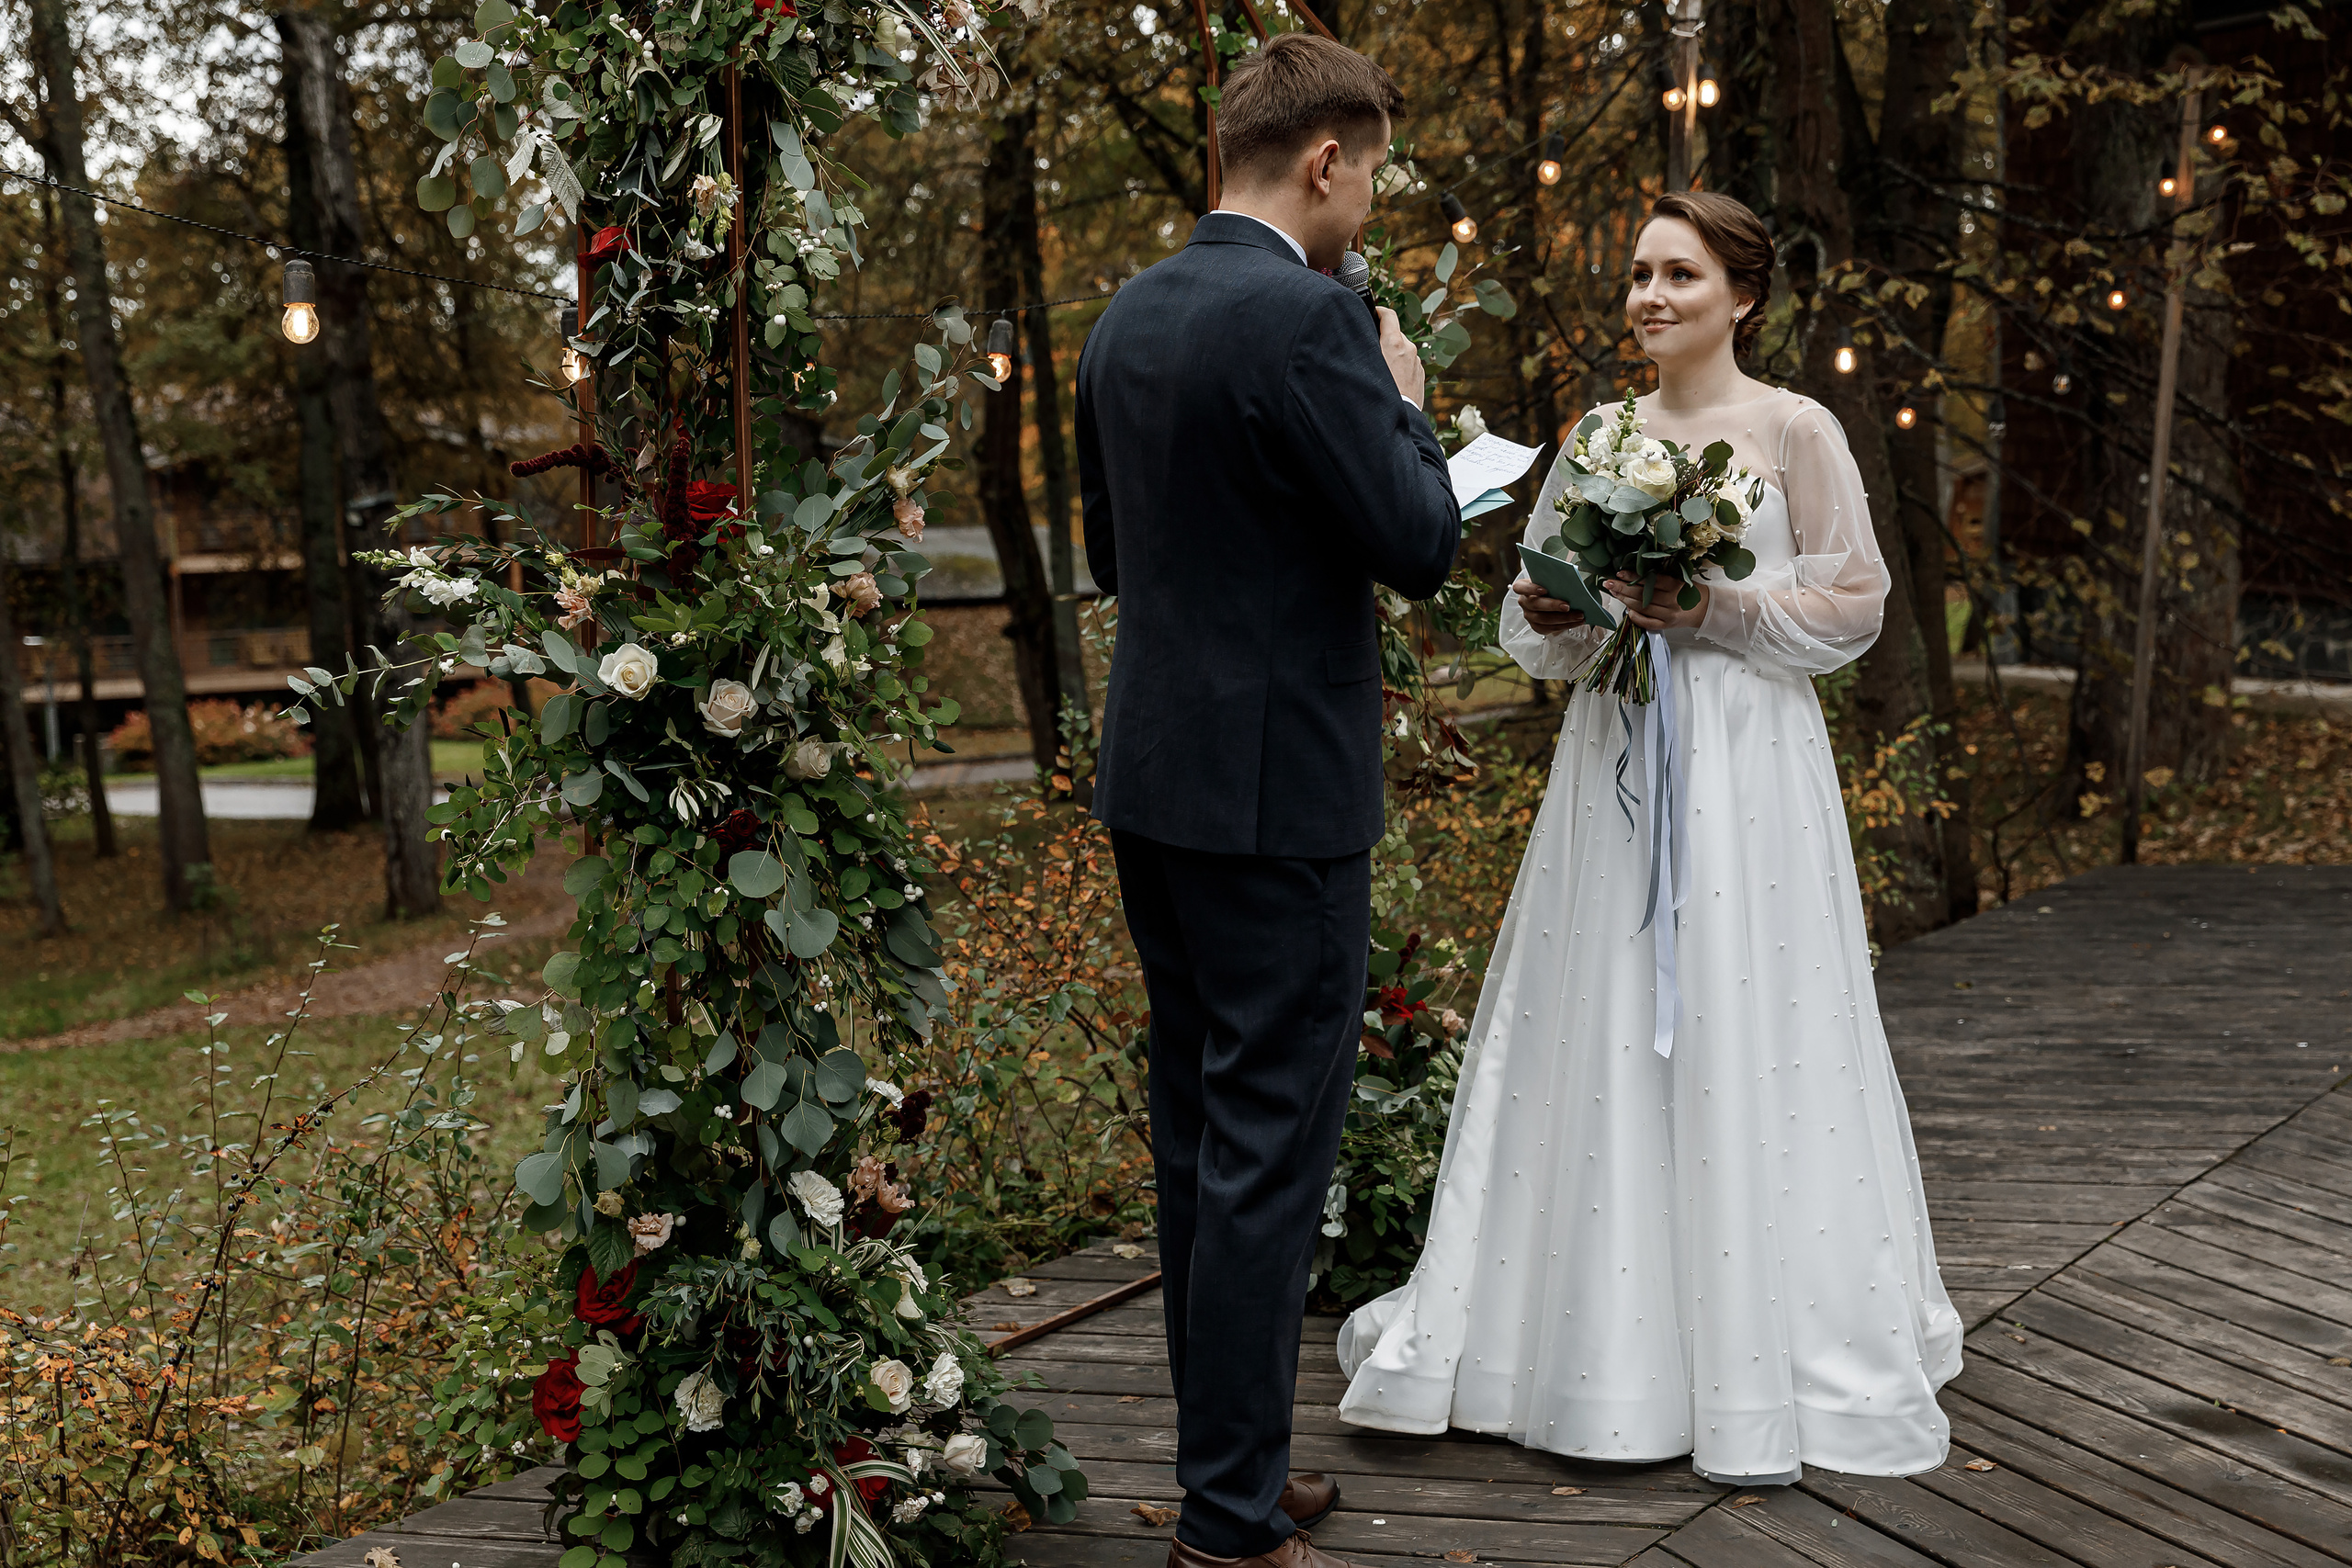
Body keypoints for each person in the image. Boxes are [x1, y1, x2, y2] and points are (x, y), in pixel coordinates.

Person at [1333, 190, 1962, 1485]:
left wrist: (1712, 608)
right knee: (1603, 1009)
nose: (1650, 296)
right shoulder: (1600, 435)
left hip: (1750, 764)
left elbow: (1852, 604)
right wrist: (1561, 609)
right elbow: (1538, 633)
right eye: (1636, 274)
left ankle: (1769, 1341)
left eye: (1679, 273)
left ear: (1743, 295)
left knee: (1759, 1012)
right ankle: (1583, 1346)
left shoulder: (1799, 427)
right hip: (1618, 757)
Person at [1074, 32, 1462, 1568]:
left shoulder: (1127, 314)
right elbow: (1420, 538)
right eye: (1367, 172)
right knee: (1265, 1158)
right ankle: (1230, 1525)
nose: (1367, 198)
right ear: (1322, 160)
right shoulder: (1318, 320)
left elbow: (1116, 557)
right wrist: (1404, 400)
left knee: (1198, 1148)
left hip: (1153, 784)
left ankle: (1234, 1464)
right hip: (1280, 802)